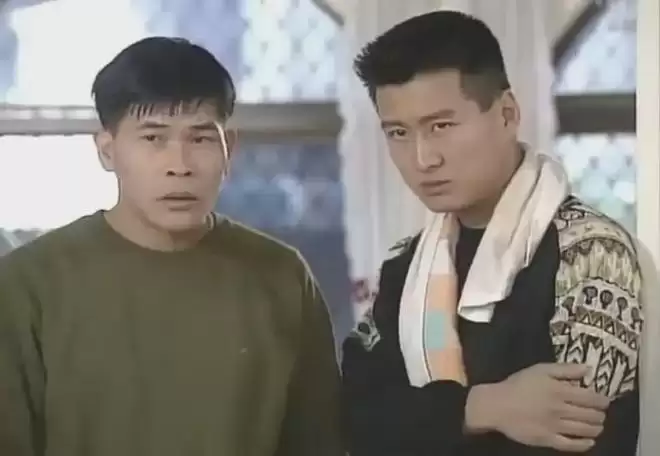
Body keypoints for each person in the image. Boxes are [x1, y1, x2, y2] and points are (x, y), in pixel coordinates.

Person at [0, 37, 344, 456]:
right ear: (107, 151)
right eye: (153, 138)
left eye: (200, 139)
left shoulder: (281, 276)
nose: (179, 166)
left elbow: (319, 441)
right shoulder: (30, 282)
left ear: (229, 149)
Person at [341, 11, 642, 456]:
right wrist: (483, 407)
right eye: (399, 132)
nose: (423, 159)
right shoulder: (406, 265)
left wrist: (421, 422)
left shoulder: (592, 253)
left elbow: (585, 439)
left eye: (441, 126)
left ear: (507, 114)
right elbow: (353, 418)